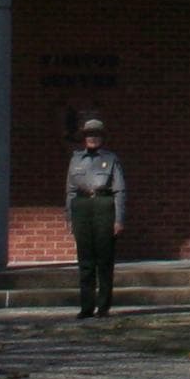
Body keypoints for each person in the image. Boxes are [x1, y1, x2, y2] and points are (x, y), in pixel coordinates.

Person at [64, 115, 124, 317]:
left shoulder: (110, 159)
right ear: (84, 137)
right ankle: (86, 306)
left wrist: (118, 219)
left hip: (104, 206)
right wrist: (70, 218)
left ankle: (104, 306)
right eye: (89, 135)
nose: (92, 138)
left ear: (102, 138)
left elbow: (119, 191)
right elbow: (70, 191)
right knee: (85, 260)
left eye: (96, 135)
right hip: (81, 207)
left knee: (104, 259)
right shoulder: (76, 159)